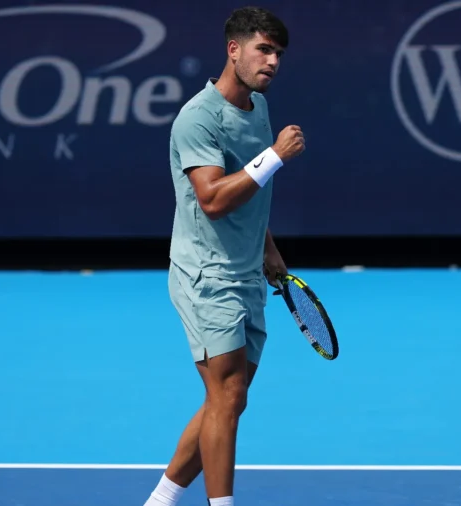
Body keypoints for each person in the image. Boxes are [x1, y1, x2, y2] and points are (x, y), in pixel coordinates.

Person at [143, 6, 304, 506]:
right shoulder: (197, 118)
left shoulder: (257, 107)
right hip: (205, 275)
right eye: (263, 49)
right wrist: (275, 155)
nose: (272, 61)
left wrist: (267, 245)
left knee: (227, 399)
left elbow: (249, 191)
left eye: (278, 53)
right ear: (233, 50)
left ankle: (161, 500)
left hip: (245, 270)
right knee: (228, 394)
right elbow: (212, 199)